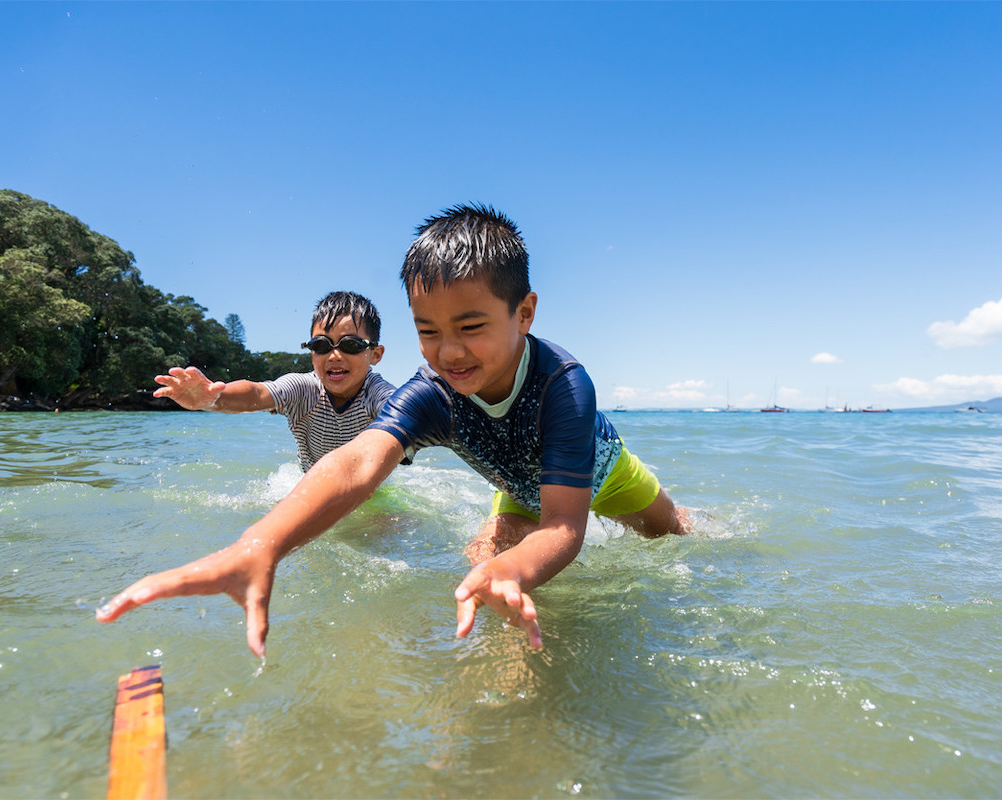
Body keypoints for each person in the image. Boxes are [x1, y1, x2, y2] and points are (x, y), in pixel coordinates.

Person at [97, 205, 690, 656]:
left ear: (525, 313)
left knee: (679, 540)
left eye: (471, 325)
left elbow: (565, 522)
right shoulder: (430, 394)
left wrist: (521, 564)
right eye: (428, 330)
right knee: (482, 572)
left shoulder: (564, 385)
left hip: (608, 476)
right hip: (515, 489)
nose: (449, 351)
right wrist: (262, 543)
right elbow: (355, 463)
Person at [152, 291, 395, 472]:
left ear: (375, 354)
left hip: (367, 489)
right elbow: (257, 393)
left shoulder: (374, 392)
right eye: (321, 345)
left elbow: (399, 407)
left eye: (350, 345)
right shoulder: (303, 389)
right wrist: (215, 399)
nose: (334, 356)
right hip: (311, 483)